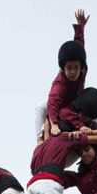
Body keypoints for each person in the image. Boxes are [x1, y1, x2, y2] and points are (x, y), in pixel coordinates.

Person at [35, 9, 89, 140]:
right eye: (69, 68)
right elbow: (53, 103)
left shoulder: (82, 70)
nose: (73, 72)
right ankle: (39, 138)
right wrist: (54, 124)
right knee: (41, 107)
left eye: (76, 68)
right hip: (60, 108)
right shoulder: (60, 84)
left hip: (75, 106)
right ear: (63, 68)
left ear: (81, 67)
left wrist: (80, 28)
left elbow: (78, 46)